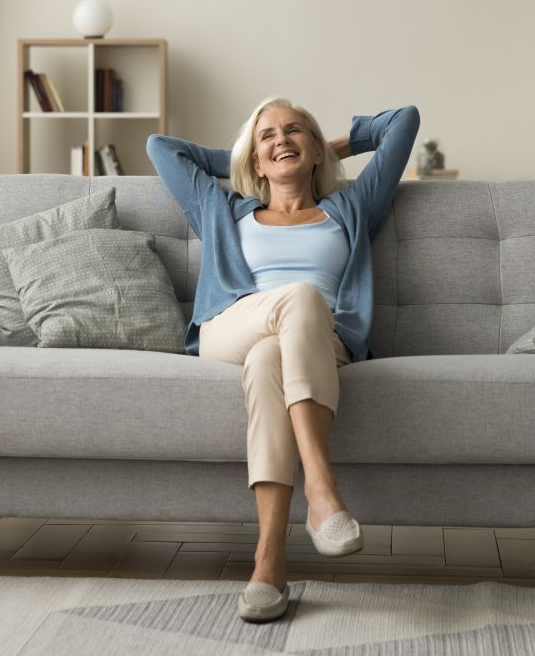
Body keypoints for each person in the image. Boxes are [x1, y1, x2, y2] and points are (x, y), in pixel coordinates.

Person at [146, 97, 420, 623]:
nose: (281, 140)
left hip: (319, 342)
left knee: (273, 354)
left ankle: (268, 562)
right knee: (297, 297)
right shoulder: (223, 209)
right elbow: (161, 148)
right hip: (232, 329)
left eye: (294, 132)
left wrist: (331, 146)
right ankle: (321, 489)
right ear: (253, 157)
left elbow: (403, 121)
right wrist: (246, 155)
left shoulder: (353, 205)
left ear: (315, 150)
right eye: (267, 135)